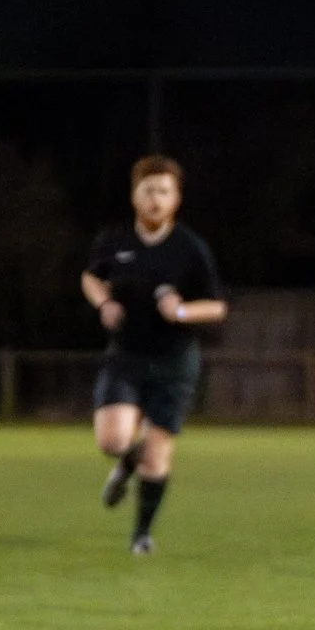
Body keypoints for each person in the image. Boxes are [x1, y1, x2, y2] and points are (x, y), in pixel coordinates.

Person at [81, 156, 227, 555]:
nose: (155, 199)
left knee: (157, 452)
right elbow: (91, 276)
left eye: (164, 191)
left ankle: (141, 536)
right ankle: (124, 463)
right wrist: (103, 302)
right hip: (126, 355)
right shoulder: (114, 241)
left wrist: (181, 311)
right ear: (134, 197)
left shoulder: (190, 248)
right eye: (148, 191)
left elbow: (217, 307)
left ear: (176, 199)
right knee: (112, 440)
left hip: (174, 362)